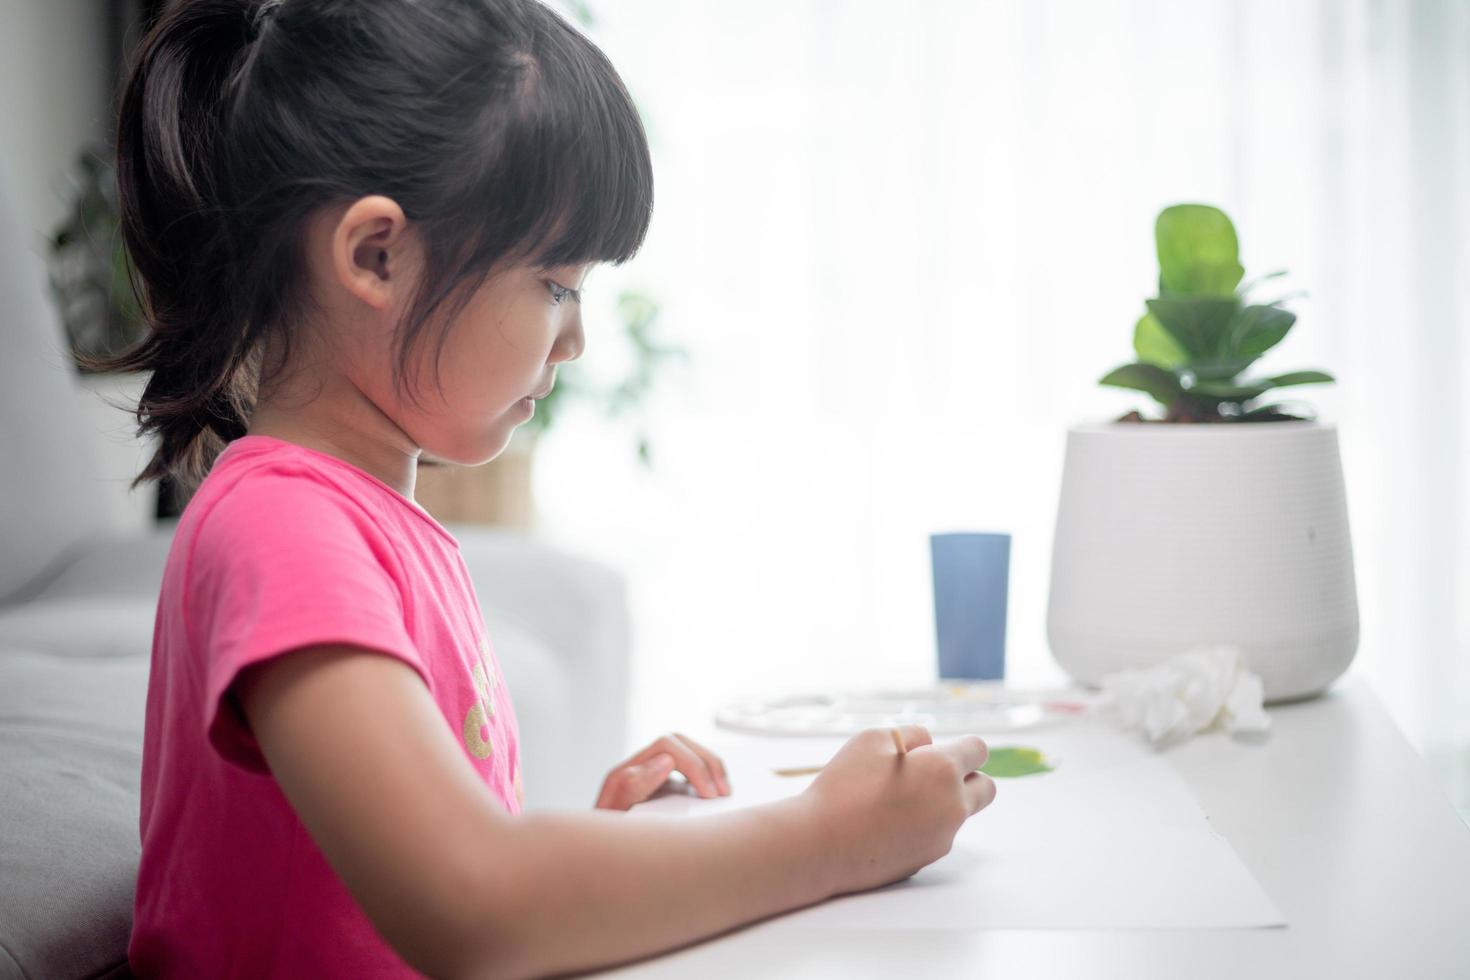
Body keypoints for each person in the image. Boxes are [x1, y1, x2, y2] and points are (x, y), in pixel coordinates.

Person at [106, 1, 998, 976]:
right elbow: (472, 902)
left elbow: (411, 885)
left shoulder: (362, 521)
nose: (575, 340)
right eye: (557, 283)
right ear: (378, 256)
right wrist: (830, 836)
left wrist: (614, 848)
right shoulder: (283, 528)